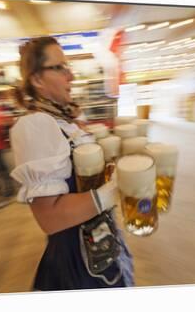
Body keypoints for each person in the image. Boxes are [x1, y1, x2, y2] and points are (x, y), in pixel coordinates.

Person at [9, 36, 134, 291]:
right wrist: (114, 190)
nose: (71, 76)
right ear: (37, 79)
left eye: (68, 67)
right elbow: (50, 218)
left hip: (102, 247)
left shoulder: (67, 120)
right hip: (76, 264)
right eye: (60, 68)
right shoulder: (35, 125)